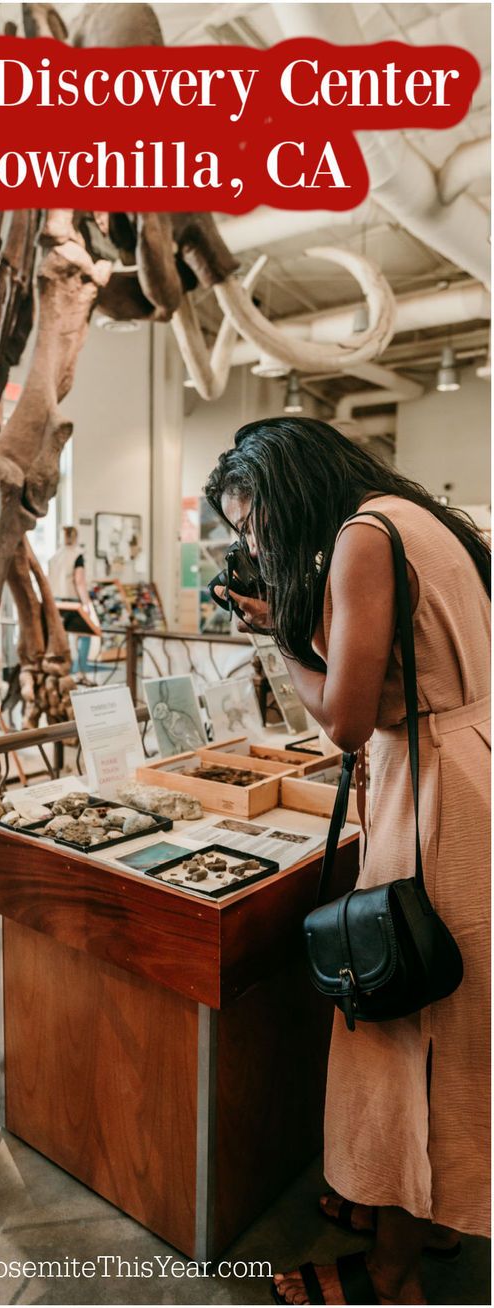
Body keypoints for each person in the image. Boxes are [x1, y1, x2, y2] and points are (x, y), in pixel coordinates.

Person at [205, 418, 490, 1307]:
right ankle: (435, 1213)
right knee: (458, 1027)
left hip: (433, 798)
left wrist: (284, 636)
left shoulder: (363, 537)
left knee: (404, 1024)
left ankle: (394, 1274)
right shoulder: (417, 517)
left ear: (288, 495)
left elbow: (344, 718)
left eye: (254, 525)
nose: (255, 544)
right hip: (467, 770)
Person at [48, 526, 92, 674]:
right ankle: (80, 669)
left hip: (56, 602)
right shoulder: (77, 556)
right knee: (86, 634)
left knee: (63, 636)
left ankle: (66, 669)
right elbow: (79, 581)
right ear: (76, 537)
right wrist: (87, 604)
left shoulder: (54, 557)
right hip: (72, 602)